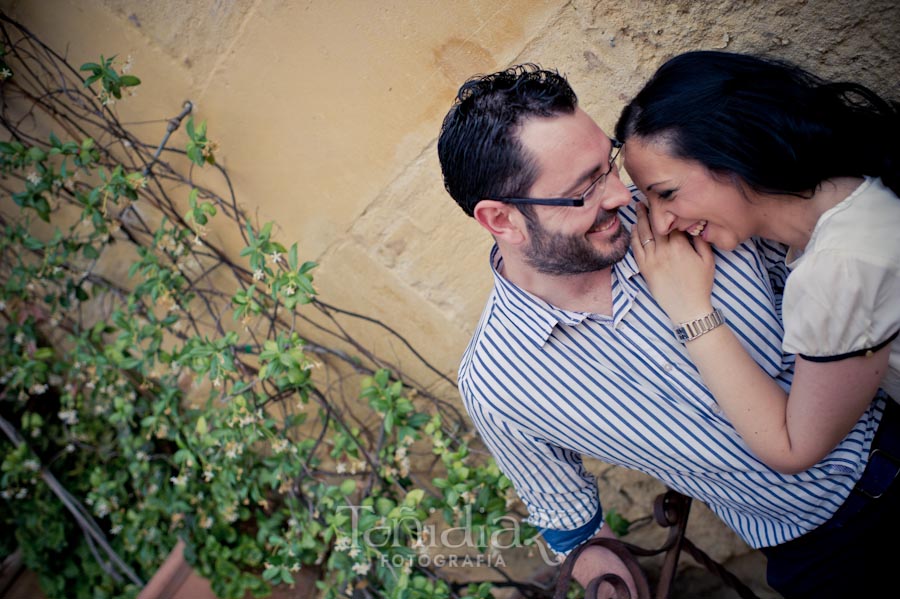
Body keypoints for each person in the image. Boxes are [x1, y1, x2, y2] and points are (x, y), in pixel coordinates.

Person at [437, 63, 898, 599]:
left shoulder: (688, 205)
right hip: (818, 559)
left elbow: (833, 265)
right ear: (500, 220)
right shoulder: (496, 384)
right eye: (582, 191)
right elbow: (568, 519)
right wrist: (609, 586)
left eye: (606, 165)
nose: (617, 195)